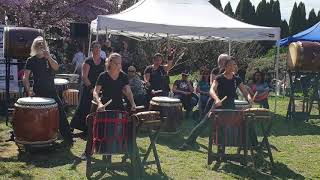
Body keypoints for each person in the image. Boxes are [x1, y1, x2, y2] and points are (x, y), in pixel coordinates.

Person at [178, 56, 253, 150]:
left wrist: (249, 99)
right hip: (218, 105)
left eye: (233, 65)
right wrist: (217, 99)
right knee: (203, 123)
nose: (232, 67)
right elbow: (212, 90)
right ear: (225, 66)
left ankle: (249, 145)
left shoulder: (237, 79)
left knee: (231, 125)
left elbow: (245, 92)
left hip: (230, 106)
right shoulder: (219, 78)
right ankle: (188, 143)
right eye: (230, 65)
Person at [83, 53, 136, 160]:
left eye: (120, 63)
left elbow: (128, 91)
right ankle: (88, 152)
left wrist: (133, 102)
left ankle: (127, 152)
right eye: (116, 63)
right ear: (110, 63)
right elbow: (95, 92)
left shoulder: (123, 76)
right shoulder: (103, 76)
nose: (118, 66)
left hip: (118, 107)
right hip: (104, 107)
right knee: (95, 130)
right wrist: (99, 103)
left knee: (126, 129)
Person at [23, 36, 73, 146]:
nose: (41, 45)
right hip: (38, 92)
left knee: (61, 113)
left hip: (51, 91)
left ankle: (68, 138)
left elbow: (56, 68)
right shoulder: (31, 60)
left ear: (46, 45)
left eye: (42, 44)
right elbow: (25, 77)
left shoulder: (50, 57)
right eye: (38, 44)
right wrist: (29, 90)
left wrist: (48, 57)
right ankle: (37, 138)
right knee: (38, 116)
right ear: (35, 46)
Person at [70, 41, 105, 134]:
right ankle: (71, 127)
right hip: (87, 87)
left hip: (98, 88)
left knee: (93, 108)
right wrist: (90, 88)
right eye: (95, 47)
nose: (97, 49)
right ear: (92, 49)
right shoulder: (88, 61)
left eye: (99, 47)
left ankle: (88, 128)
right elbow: (84, 76)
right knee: (83, 107)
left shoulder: (103, 61)